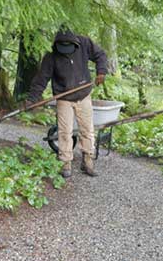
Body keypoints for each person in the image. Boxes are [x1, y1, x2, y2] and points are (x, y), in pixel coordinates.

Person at [27, 27, 108, 178]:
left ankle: (88, 160)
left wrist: (101, 72)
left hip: (83, 95)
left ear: (74, 43)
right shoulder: (51, 57)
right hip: (63, 98)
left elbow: (100, 55)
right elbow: (41, 79)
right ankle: (65, 162)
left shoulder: (84, 43)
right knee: (65, 132)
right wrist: (33, 99)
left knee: (87, 130)